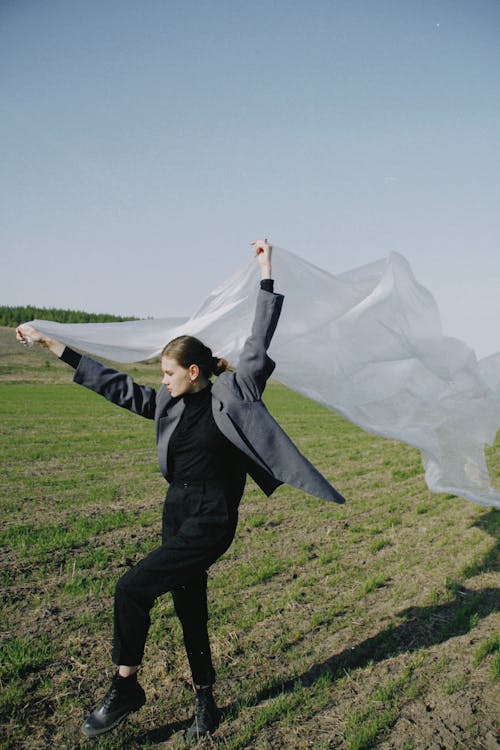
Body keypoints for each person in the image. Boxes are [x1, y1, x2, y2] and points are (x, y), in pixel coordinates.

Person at [16, 240, 345, 742]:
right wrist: (52, 346)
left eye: (169, 373)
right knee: (190, 607)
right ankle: (205, 703)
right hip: (178, 510)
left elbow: (258, 341)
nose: (162, 381)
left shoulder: (235, 395)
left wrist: (266, 273)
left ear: (194, 372)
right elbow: (113, 385)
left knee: (131, 588)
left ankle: (124, 685)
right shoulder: (167, 405)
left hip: (213, 516)